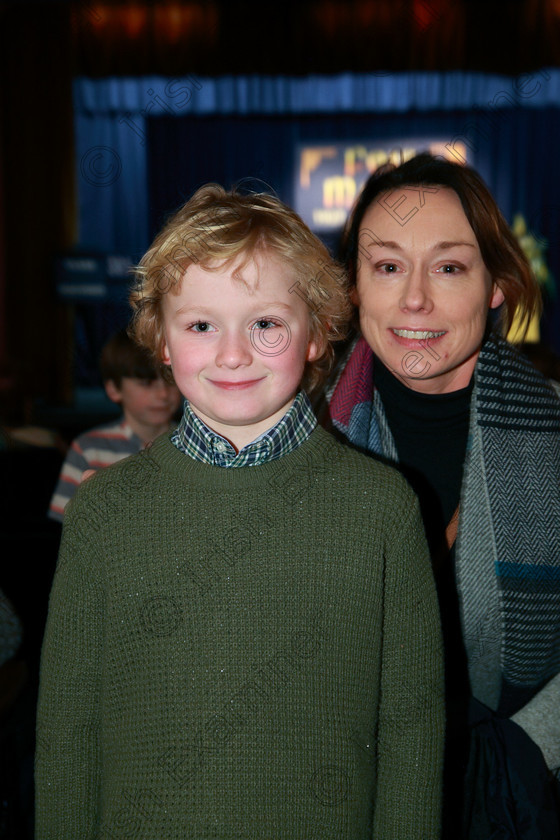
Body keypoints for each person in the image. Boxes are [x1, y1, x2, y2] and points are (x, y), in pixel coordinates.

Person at [36, 185, 444, 839]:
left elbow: (412, 737)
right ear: (161, 342)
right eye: (201, 325)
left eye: (266, 324)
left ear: (315, 333)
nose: (232, 353)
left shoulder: (383, 512)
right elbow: (67, 738)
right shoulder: (102, 513)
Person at [320, 153, 560, 837]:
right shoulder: (297, 441)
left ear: (496, 286)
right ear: (354, 288)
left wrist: (522, 754)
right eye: (388, 267)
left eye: (449, 267)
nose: (415, 299)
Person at [48, 329, 181, 521]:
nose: (163, 394)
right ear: (114, 389)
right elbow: (67, 525)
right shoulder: (89, 448)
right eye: (146, 383)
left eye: (170, 380)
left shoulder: (196, 445)